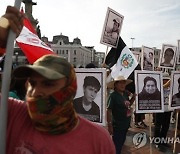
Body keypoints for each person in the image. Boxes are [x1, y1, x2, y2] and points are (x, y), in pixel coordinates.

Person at [0, 6, 115, 154]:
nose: (36, 92)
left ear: (70, 89)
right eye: (32, 83)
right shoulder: (11, 114)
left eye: (48, 83)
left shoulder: (98, 141)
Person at [107, 76, 136, 154]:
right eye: (120, 83)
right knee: (117, 146)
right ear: (115, 85)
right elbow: (109, 110)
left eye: (124, 83)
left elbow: (128, 105)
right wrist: (110, 125)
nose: (123, 85)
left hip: (125, 124)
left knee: (121, 143)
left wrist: (133, 98)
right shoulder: (113, 96)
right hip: (117, 125)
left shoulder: (125, 94)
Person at [154, 76, 172, 150]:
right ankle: (157, 142)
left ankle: (163, 140)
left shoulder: (171, 88)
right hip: (160, 110)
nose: (165, 81)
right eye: (164, 79)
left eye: (167, 80)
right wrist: (166, 84)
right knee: (158, 126)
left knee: (166, 126)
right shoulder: (158, 87)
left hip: (168, 109)